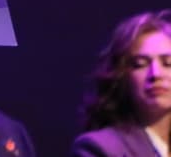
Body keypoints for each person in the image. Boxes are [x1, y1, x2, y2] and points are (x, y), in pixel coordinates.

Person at [71, 10, 171, 157]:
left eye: (168, 63)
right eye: (139, 64)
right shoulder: (99, 148)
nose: (155, 74)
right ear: (121, 76)